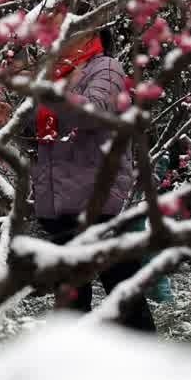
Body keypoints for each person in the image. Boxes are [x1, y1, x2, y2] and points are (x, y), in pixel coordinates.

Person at [31, 27, 154, 331]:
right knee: (71, 293)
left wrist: (49, 94)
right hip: (60, 201)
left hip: (98, 198)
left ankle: (146, 357)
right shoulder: (55, 72)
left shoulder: (106, 68)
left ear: (88, 32)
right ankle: (78, 362)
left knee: (122, 286)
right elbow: (41, 130)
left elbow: (92, 112)